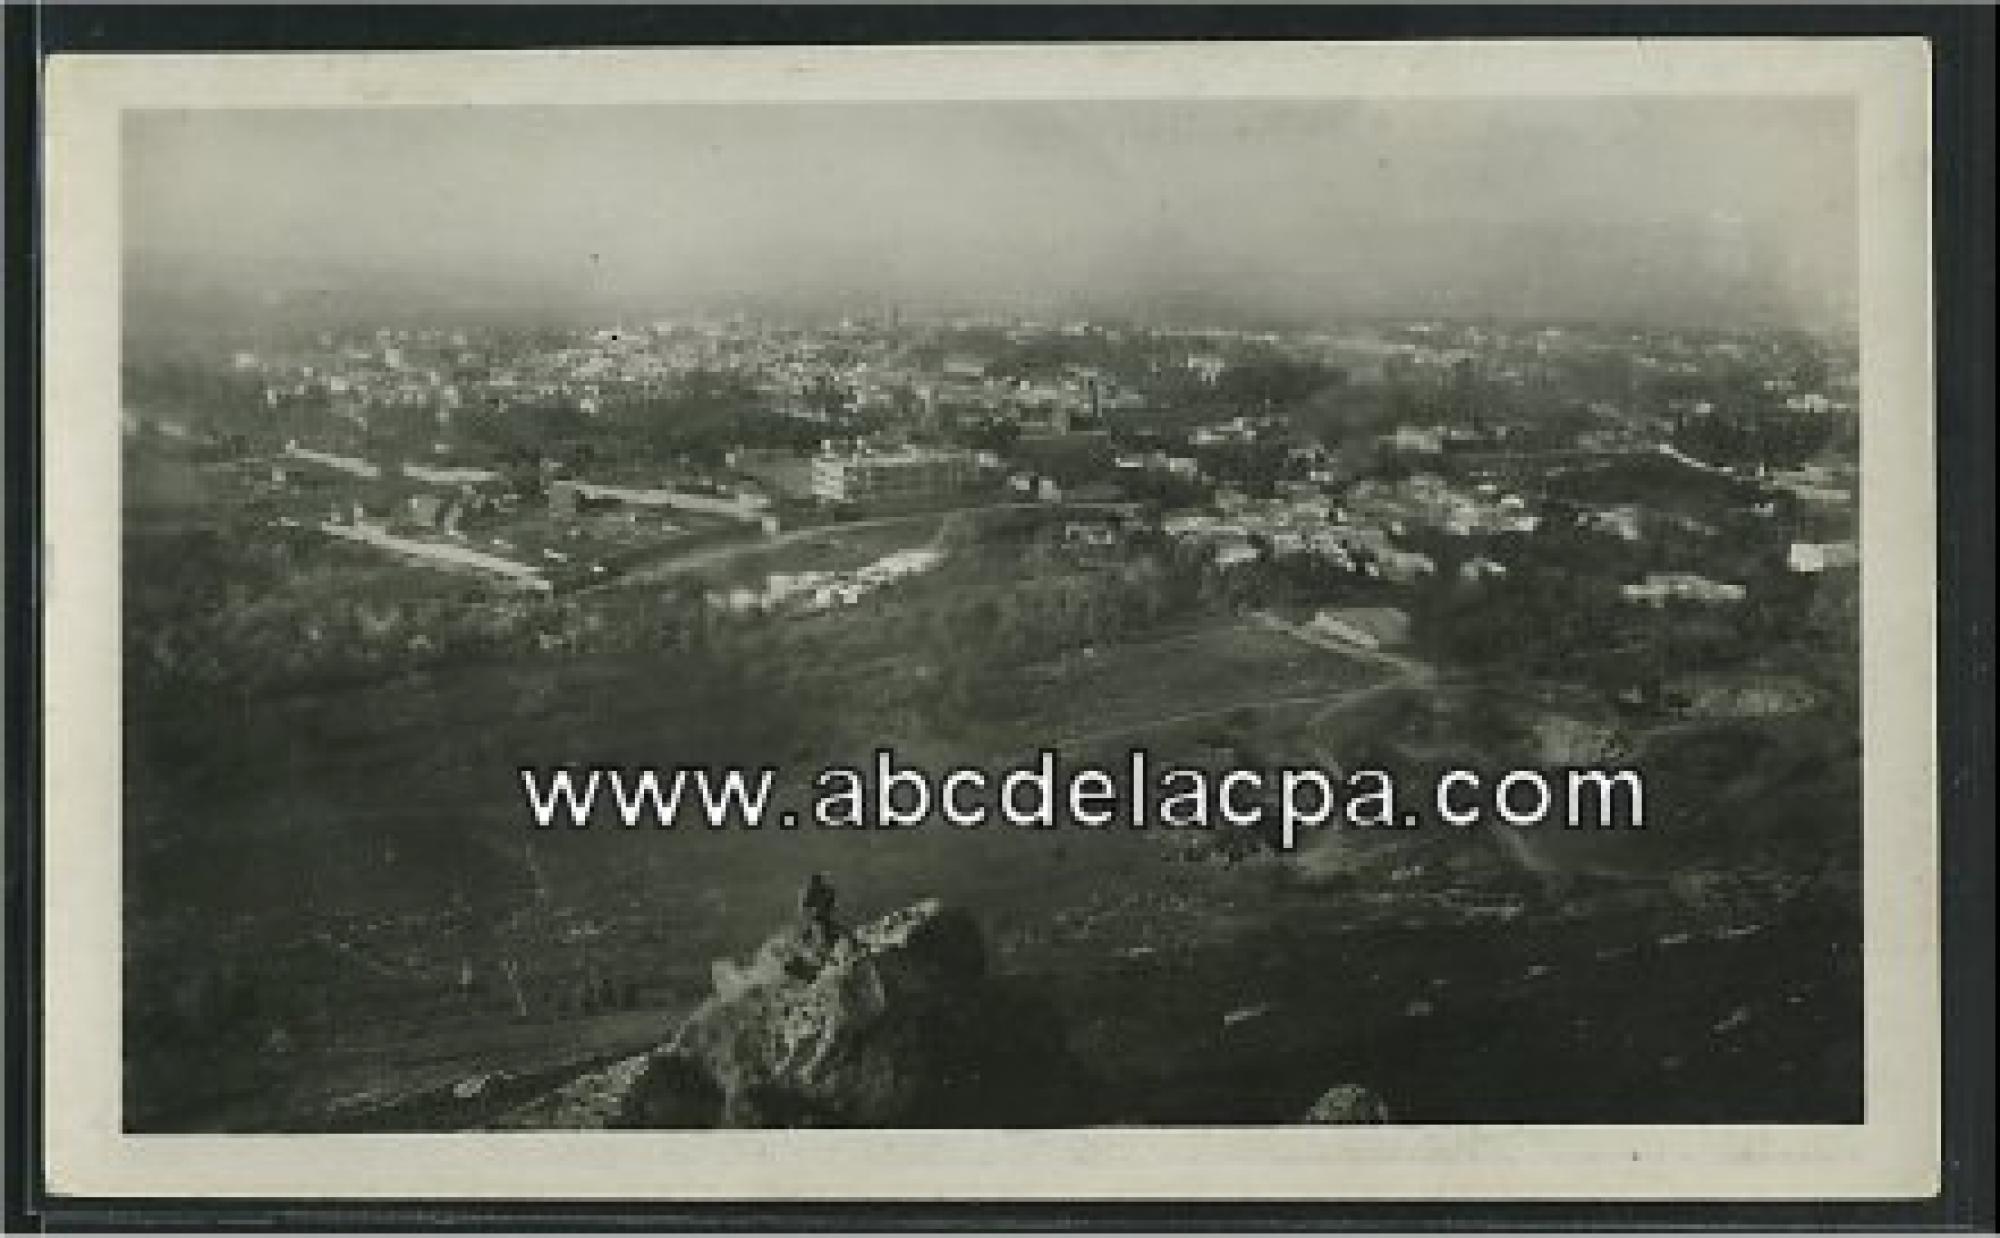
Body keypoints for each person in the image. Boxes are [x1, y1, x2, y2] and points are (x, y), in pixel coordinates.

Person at [799, 872, 840, 949]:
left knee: (826, 930)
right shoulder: (812, 892)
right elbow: (806, 905)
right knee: (819, 930)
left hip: (823, 916)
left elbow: (832, 900)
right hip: (818, 916)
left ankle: (828, 945)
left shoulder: (824, 890)